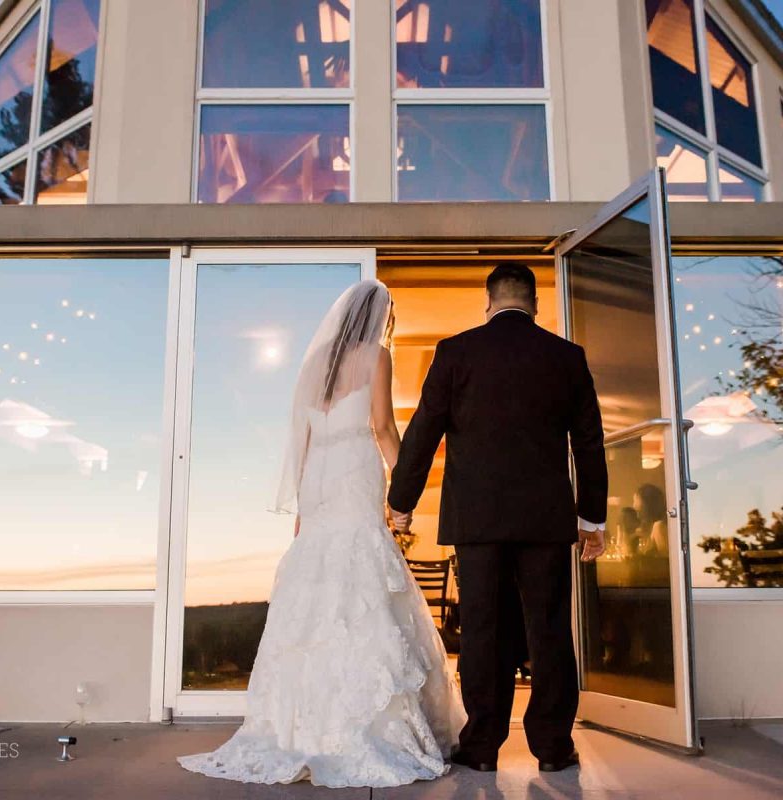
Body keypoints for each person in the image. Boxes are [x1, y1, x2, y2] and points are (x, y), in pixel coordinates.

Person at [177, 279, 466, 787]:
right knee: (364, 578)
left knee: (316, 579)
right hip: (355, 470)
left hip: (319, 481)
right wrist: (406, 492)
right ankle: (361, 725)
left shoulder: (313, 367)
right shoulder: (376, 357)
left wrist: (301, 516)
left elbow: (302, 443)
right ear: (378, 318)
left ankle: (301, 724)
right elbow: (382, 428)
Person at [388, 263, 608, 774]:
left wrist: (402, 502)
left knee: (483, 630)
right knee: (548, 629)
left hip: (477, 519)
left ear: (488, 302)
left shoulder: (456, 352)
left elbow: (424, 430)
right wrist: (591, 519)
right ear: (534, 303)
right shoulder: (566, 357)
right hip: (545, 520)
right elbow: (589, 443)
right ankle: (553, 748)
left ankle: (482, 746)